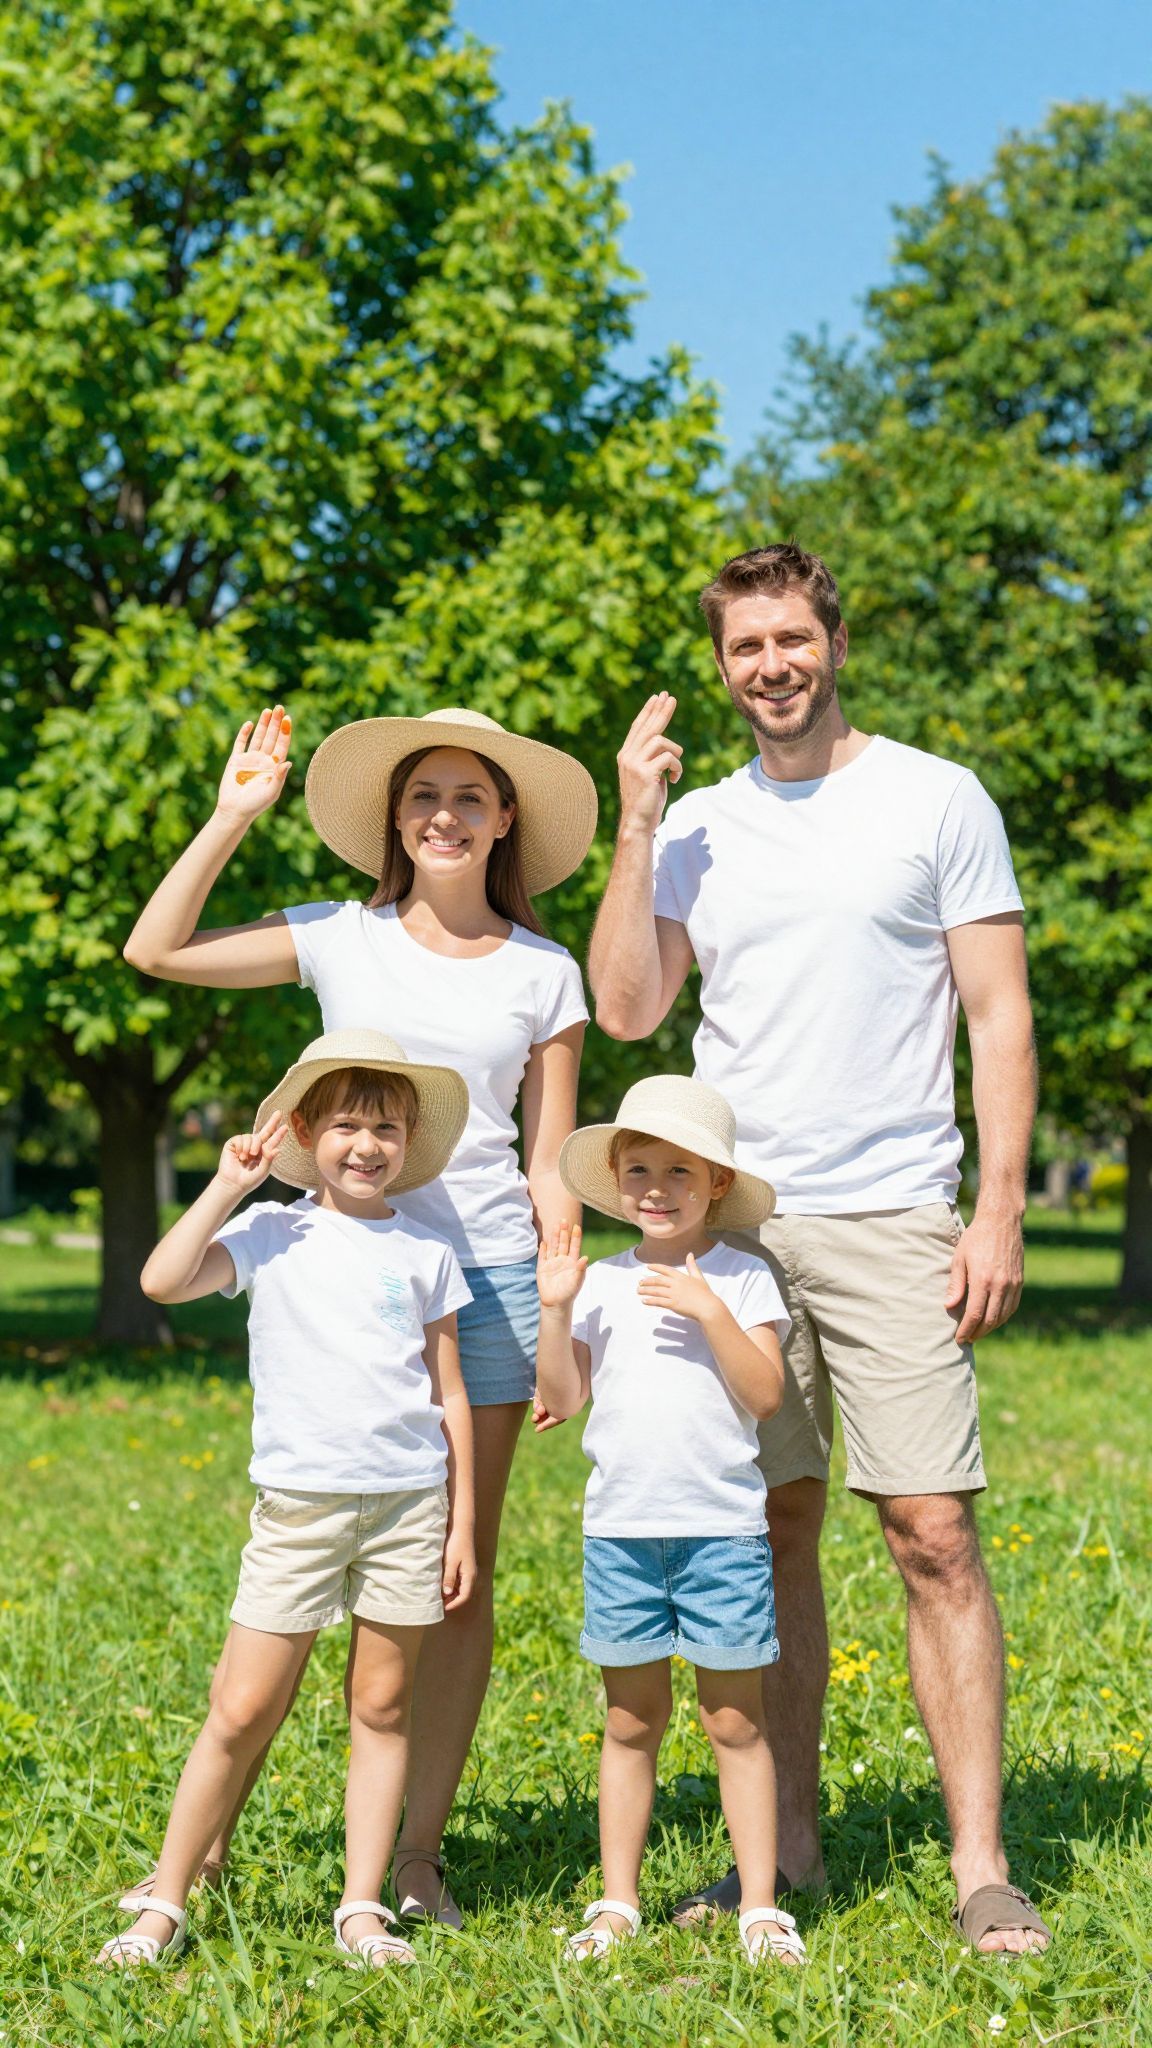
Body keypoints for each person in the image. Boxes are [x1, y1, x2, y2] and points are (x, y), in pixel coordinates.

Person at [588, 543, 1051, 1955]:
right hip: (740, 1227)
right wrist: (633, 821)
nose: (771, 666)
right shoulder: (700, 827)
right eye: (745, 649)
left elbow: (999, 1013)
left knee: (932, 1531)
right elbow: (624, 1009)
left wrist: (1001, 1205)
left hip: (901, 1211)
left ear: (833, 640)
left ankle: (980, 1866)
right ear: (724, 667)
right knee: (767, 1529)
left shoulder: (934, 799)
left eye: (792, 638)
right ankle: (780, 1852)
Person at [121, 704, 596, 1926]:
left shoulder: (547, 970)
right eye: (424, 793)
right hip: (339, 1269)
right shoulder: (340, 934)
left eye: (471, 796)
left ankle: (413, 1856)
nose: (446, 813)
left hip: (482, 1284)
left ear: (506, 823)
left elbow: (546, 1159)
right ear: (395, 815)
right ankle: (203, 1849)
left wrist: (559, 1297)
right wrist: (233, 816)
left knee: (451, 1581)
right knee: (298, 1562)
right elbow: (157, 951)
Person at [97, 1030, 475, 1968]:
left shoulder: (426, 1252)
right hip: (301, 1508)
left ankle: (360, 1907)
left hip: (406, 1507)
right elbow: (162, 1280)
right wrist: (229, 1183)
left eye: (386, 1126)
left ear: (409, 1137)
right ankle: (167, 1902)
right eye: (346, 1123)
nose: (367, 1144)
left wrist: (462, 1520)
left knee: (382, 1707)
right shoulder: (271, 1231)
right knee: (239, 1708)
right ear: (305, 1132)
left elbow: (450, 1392)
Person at [535, 1074, 806, 1969]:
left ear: (716, 1183)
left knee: (736, 1723)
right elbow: (559, 1400)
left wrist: (709, 1312)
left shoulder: (742, 1276)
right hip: (622, 1534)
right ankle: (618, 1900)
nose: (656, 1187)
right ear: (615, 1180)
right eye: (639, 1168)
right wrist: (557, 1306)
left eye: (678, 1171)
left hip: (722, 1533)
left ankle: (761, 1906)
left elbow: (766, 1396)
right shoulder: (603, 1284)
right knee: (630, 1721)